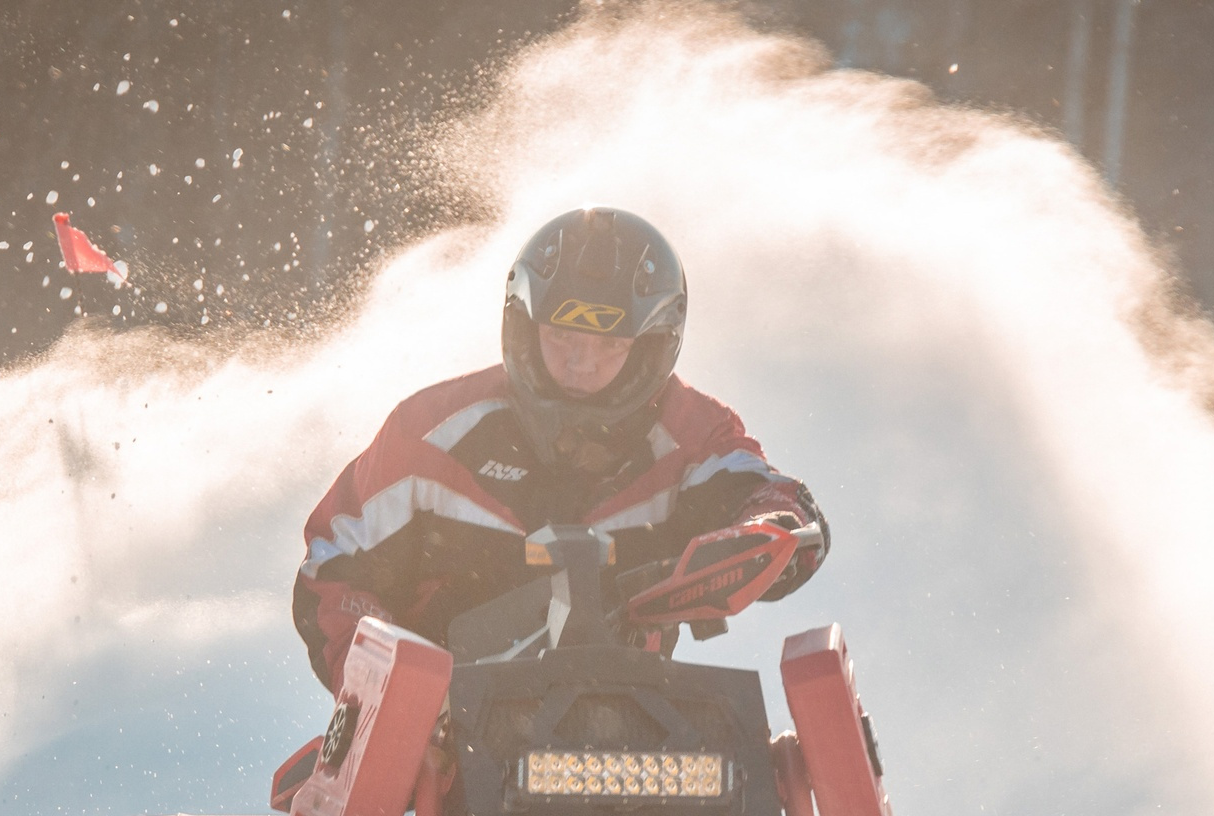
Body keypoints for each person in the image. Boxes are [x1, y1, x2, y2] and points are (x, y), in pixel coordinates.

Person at [291, 207, 829, 689]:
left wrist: (772, 533)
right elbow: (332, 569)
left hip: (633, 719)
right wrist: (388, 684)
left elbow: (770, 496)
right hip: (442, 730)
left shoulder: (692, 434)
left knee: (771, 747)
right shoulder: (430, 431)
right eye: (562, 337)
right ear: (524, 325)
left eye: (608, 345)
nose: (580, 362)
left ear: (650, 346)